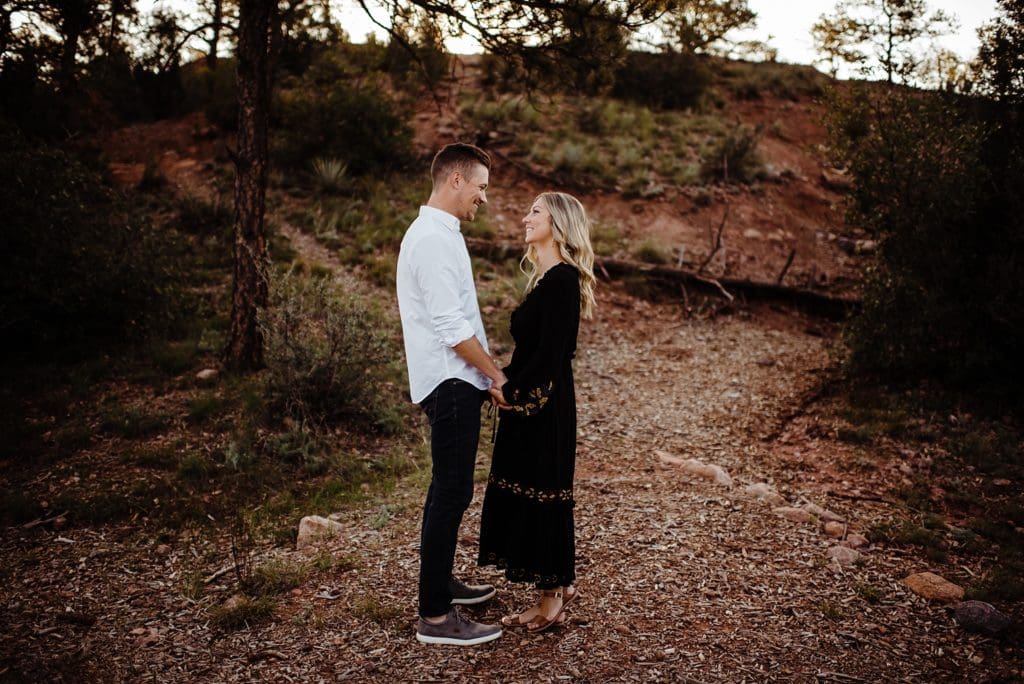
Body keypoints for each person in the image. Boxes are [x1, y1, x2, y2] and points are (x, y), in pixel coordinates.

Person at [396, 143, 507, 646]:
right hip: (451, 379)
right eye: (481, 186)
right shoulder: (432, 240)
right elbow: (448, 325)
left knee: (450, 489)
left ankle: (441, 585)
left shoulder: (439, 234)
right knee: (451, 492)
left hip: (455, 378)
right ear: (456, 180)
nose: (484, 197)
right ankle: (436, 617)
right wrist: (495, 375)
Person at [477, 191, 596, 633]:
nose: (525, 218)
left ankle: (551, 599)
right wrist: (502, 377)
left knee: (543, 493)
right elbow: (534, 351)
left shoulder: (563, 280)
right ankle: (554, 586)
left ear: (558, 224)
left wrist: (509, 385)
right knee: (528, 490)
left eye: (535, 212)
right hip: (532, 399)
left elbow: (553, 355)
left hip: (544, 406)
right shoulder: (547, 280)